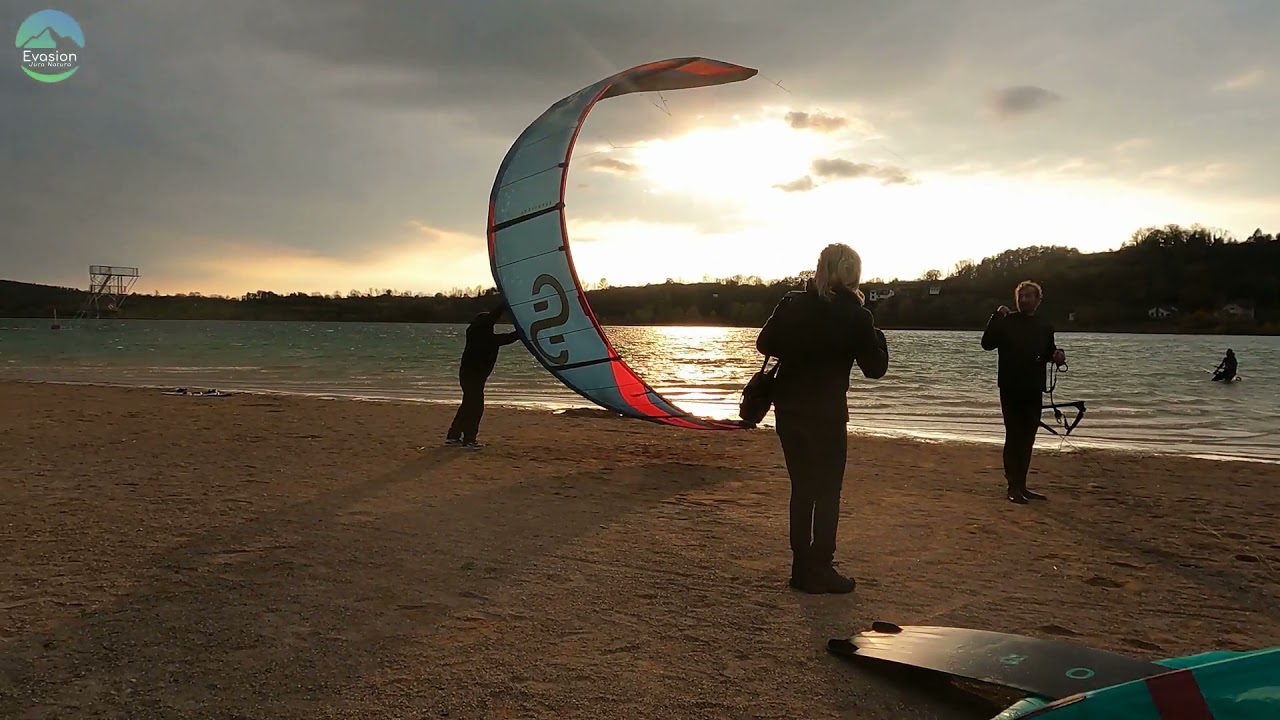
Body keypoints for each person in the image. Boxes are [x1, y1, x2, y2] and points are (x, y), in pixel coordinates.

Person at [755, 243, 889, 594]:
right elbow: (875, 368)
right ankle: (822, 566)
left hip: (789, 408)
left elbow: (764, 344)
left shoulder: (792, 303)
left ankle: (801, 569)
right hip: (827, 413)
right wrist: (876, 334)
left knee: (802, 489)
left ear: (820, 269)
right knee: (828, 491)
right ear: (853, 273)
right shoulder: (856, 315)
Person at [980, 280, 1066, 504]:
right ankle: (1013, 487)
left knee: (1028, 437)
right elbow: (987, 343)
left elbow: (1048, 352)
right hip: (1010, 386)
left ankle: (1022, 486)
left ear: (1038, 300)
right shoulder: (1006, 321)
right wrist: (996, 317)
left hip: (1034, 387)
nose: (1024, 299)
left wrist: (1057, 355)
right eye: (1021, 295)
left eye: (1029, 296)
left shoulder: (1044, 326)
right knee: (1014, 435)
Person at [446, 301, 520, 448]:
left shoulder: (480, 336)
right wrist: (504, 304)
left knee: (468, 405)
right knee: (475, 408)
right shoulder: (482, 336)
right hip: (473, 377)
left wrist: (520, 330)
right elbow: (504, 332)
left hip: (468, 376)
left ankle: (454, 436)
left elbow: (509, 337)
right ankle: (469, 439)